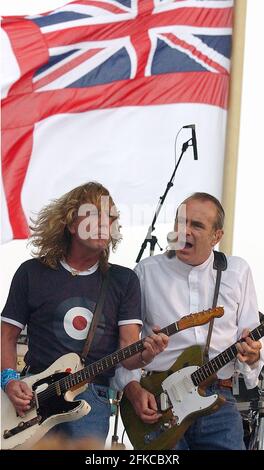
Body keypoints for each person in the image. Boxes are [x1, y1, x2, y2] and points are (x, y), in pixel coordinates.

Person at [1, 181, 168, 445]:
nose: (104, 224)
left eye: (110, 218)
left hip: (92, 397)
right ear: (69, 224)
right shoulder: (31, 272)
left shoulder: (123, 280)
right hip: (33, 393)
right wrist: (9, 381)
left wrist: (148, 353)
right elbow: (7, 337)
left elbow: (129, 355)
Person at [114, 192, 263, 450]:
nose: (185, 231)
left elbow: (250, 342)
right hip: (160, 400)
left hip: (219, 396)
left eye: (196, 225)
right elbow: (126, 345)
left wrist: (251, 356)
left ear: (217, 236)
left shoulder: (237, 271)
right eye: (180, 222)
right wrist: (132, 389)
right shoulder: (146, 272)